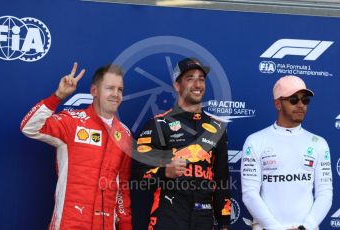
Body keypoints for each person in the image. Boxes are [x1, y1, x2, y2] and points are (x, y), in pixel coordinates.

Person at [20, 63, 132, 230]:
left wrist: (125, 225)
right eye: (110, 88)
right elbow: (29, 127)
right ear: (94, 91)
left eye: (120, 89)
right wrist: (57, 96)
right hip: (69, 224)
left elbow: (122, 187)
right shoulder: (72, 122)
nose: (116, 95)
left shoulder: (124, 134)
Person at [133, 58, 231, 230]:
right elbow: (140, 175)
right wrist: (165, 172)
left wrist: (224, 224)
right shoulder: (158, 124)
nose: (197, 84)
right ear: (177, 86)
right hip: (168, 216)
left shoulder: (217, 128)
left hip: (204, 219)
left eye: (201, 78)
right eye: (190, 78)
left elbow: (222, 180)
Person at [241, 75, 333, 230]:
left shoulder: (319, 143)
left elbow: (325, 193)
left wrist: (306, 227)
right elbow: (250, 194)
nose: (300, 105)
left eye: (305, 100)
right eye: (293, 99)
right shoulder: (255, 141)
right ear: (278, 103)